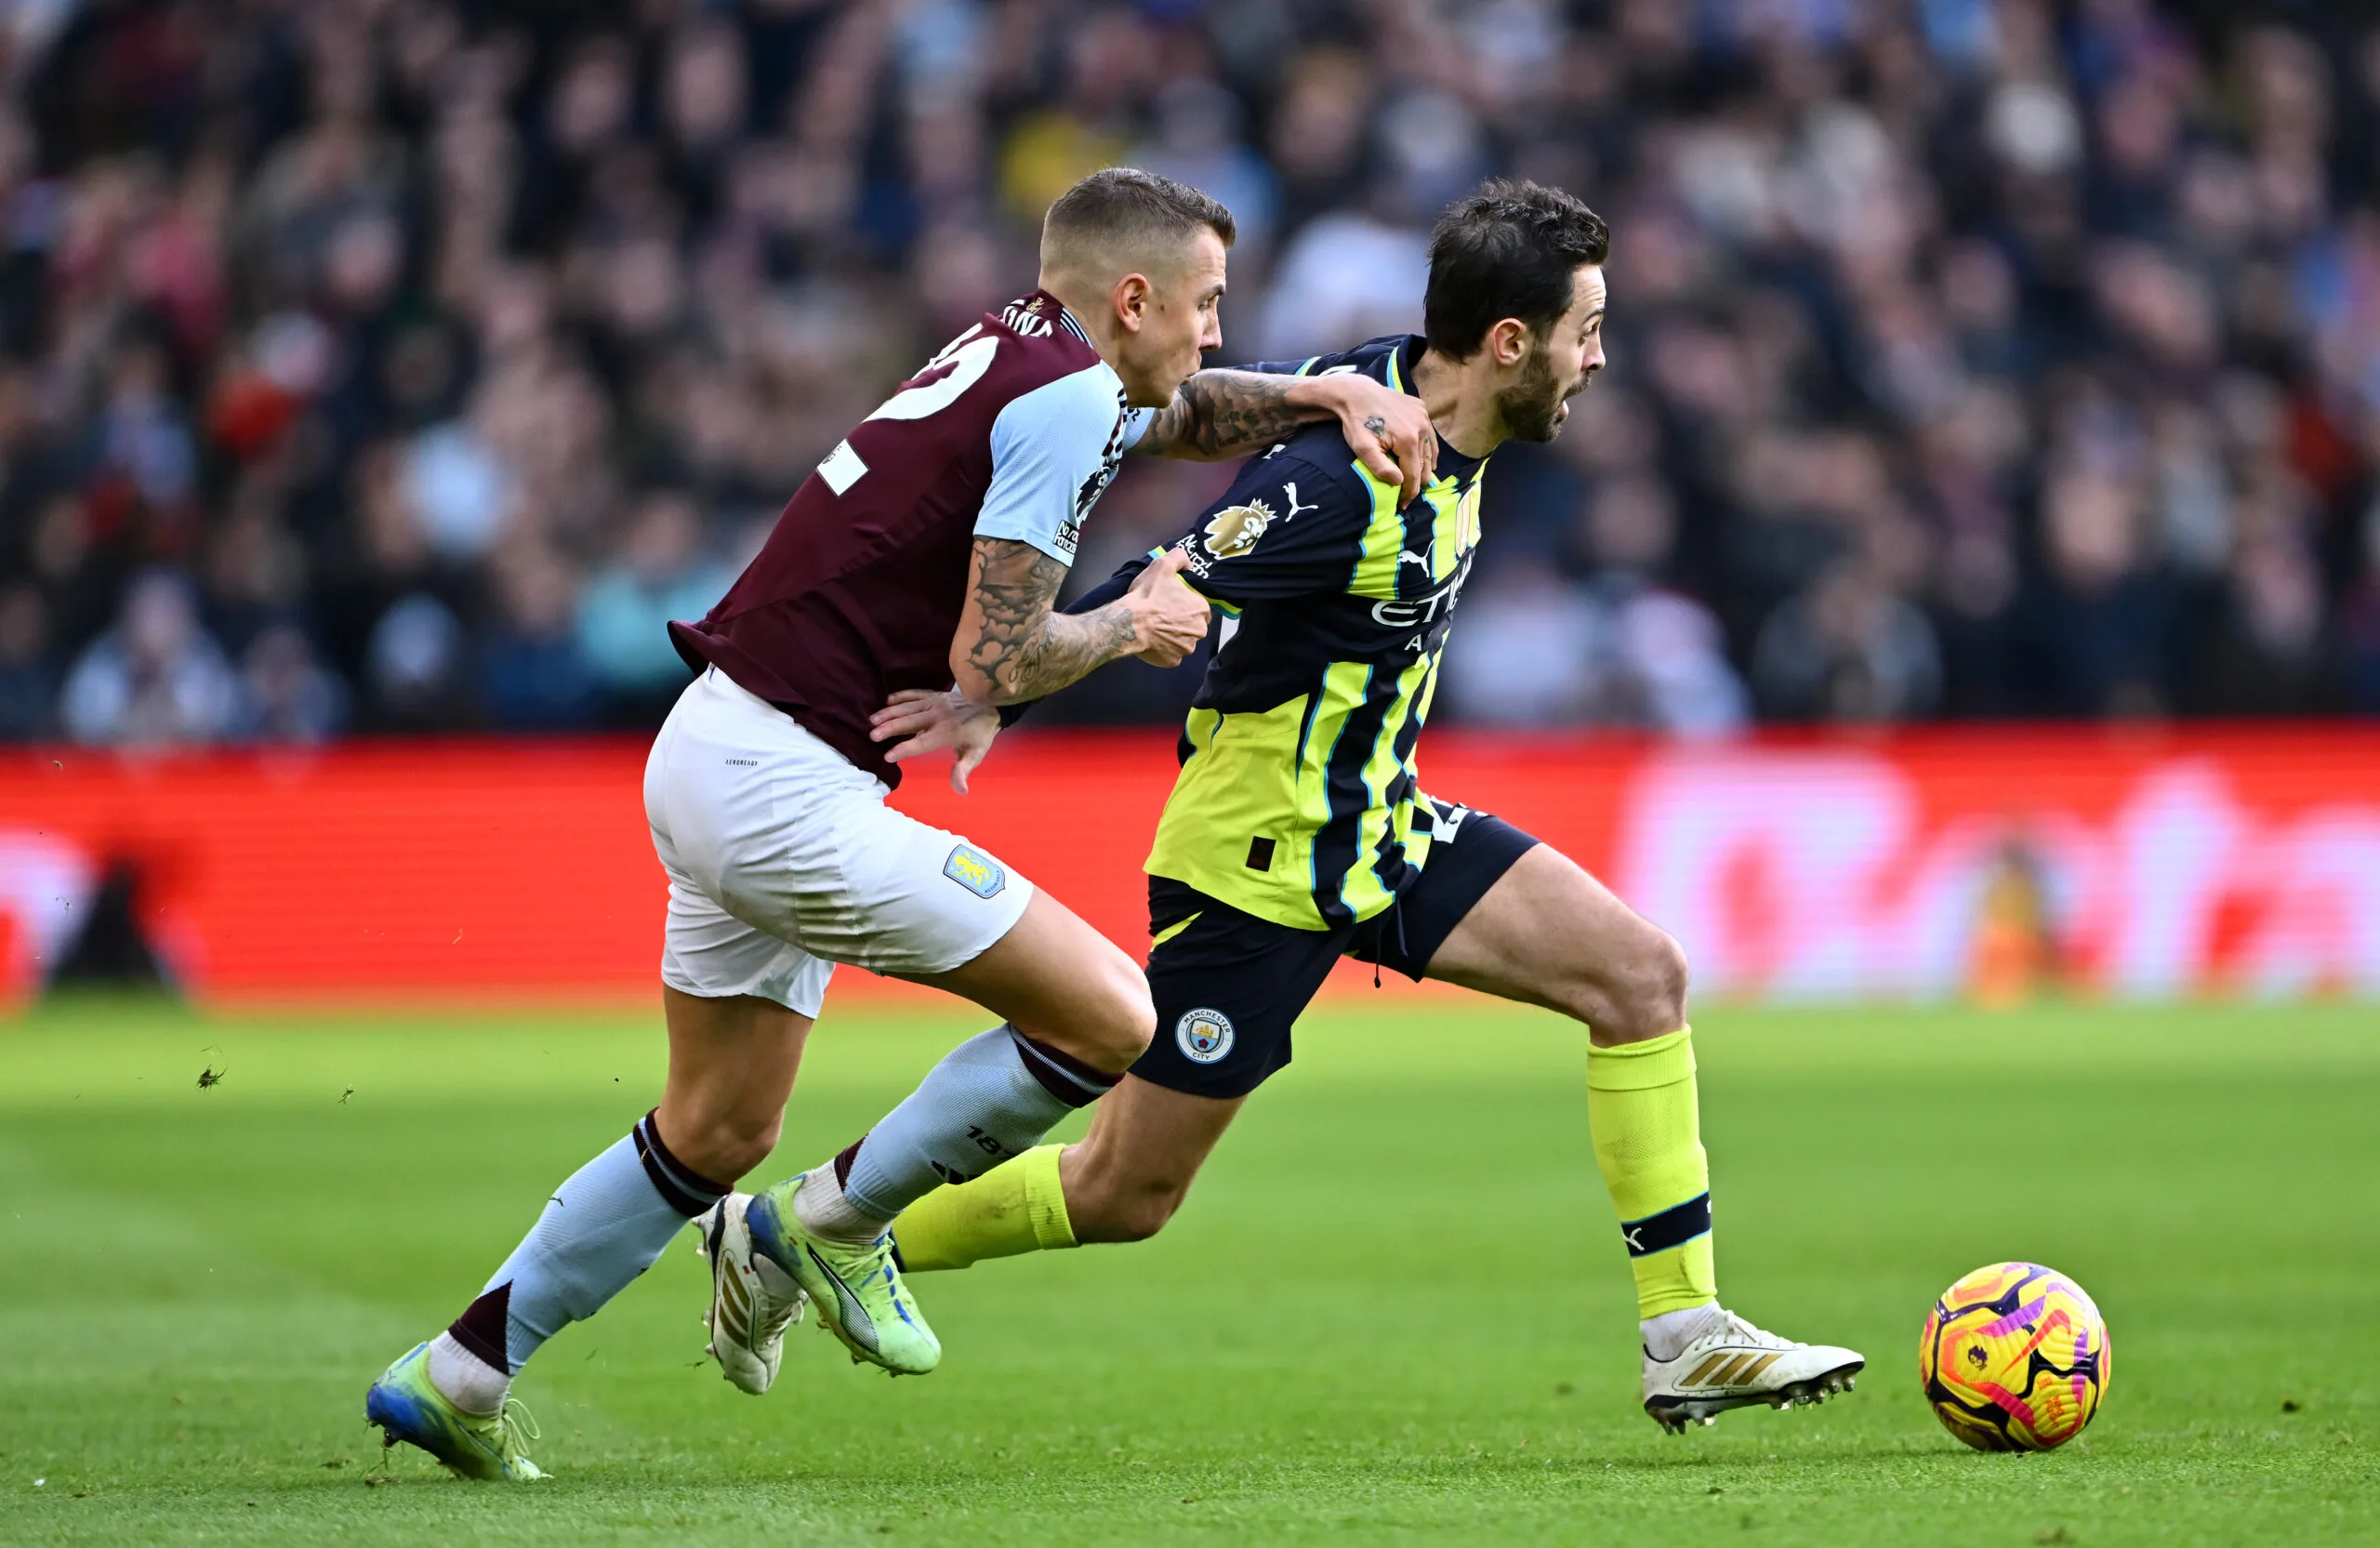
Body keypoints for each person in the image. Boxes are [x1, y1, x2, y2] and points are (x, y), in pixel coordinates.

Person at [364, 167, 1435, 1481]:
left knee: (714, 1131)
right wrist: (1134, 628)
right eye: (1207, 304)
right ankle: (831, 1224)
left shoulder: (1030, 351)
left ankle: (461, 1371)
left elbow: (1191, 412)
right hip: (781, 788)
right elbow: (996, 660)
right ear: (1136, 297)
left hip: (714, 745)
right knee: (1111, 1017)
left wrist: (1324, 391)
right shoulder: (1069, 398)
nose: (1218, 331)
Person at [846, 180, 1863, 1433]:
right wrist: (998, 692)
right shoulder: (1341, 486)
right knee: (1125, 1193)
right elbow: (1172, 580)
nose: (1599, 359)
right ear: (1508, 345)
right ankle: (826, 1228)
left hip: (1379, 825)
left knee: (1638, 979)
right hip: (1258, 862)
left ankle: (1685, 1329)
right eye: (1584, 331)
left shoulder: (1384, 387)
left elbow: (1256, 403)